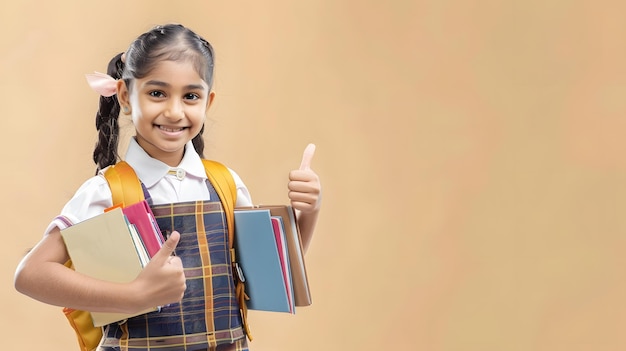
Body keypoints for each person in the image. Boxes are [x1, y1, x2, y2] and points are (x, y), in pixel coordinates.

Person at [14, 23, 321, 351]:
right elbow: (31, 274)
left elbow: (270, 276)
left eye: (190, 96)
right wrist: (132, 296)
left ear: (208, 101)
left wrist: (308, 213)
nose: (174, 112)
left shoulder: (226, 184)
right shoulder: (106, 191)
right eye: (157, 93)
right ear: (125, 96)